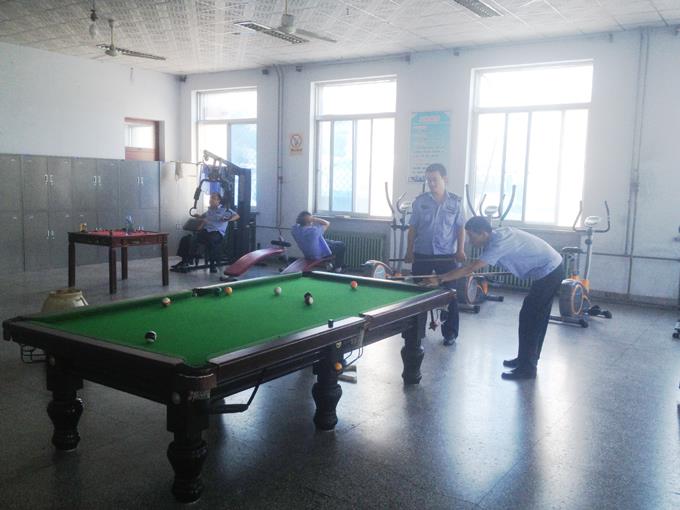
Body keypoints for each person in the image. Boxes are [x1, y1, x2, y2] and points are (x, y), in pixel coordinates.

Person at [432, 216, 563, 380]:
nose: (470, 241)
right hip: (548, 270)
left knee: (532, 318)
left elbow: (471, 268)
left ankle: (527, 368)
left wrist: (440, 278)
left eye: (472, 236)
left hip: (550, 270)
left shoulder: (499, 242)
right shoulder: (495, 238)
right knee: (533, 317)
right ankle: (526, 360)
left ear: (483, 233)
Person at [405, 163, 466, 346]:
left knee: (450, 295)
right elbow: (412, 229)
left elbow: (460, 228)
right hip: (422, 254)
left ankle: (450, 333)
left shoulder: (455, 202)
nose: (431, 183)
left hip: (446, 256)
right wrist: (409, 251)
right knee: (418, 294)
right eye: (428, 180)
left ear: (444, 179)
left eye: (435, 179)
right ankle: (416, 333)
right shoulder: (420, 201)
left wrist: (460, 250)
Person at [176, 192, 239, 273]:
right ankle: (186, 260)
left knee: (211, 240)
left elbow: (237, 216)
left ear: (219, 200)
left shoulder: (224, 210)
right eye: (210, 198)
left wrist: (229, 219)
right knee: (187, 239)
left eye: (213, 198)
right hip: (206, 231)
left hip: (217, 233)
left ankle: (212, 265)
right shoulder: (209, 211)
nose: (211, 200)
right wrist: (198, 217)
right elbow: (203, 218)